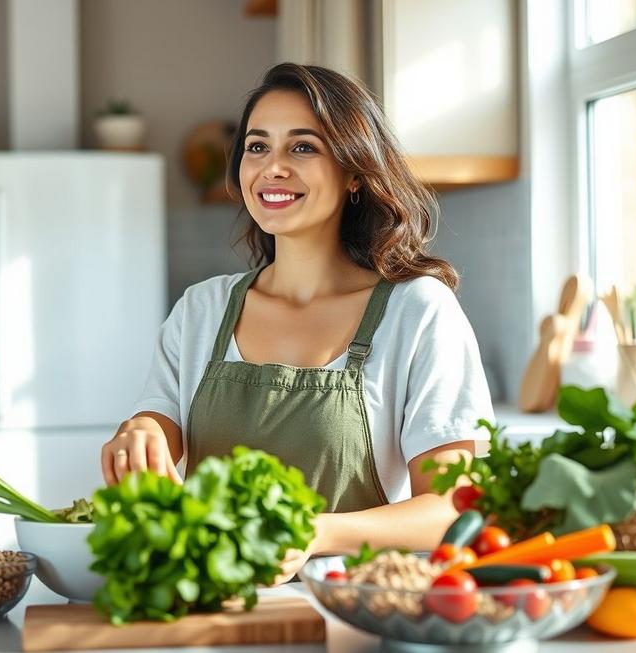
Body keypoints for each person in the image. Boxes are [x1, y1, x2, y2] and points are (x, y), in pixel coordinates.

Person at [100, 62, 494, 583]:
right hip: (204, 608)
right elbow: (156, 423)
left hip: (351, 609)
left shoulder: (417, 312)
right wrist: (138, 435)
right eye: (257, 147)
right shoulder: (202, 310)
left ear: (355, 171)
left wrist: (314, 533)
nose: (273, 167)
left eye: (303, 147)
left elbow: (449, 509)